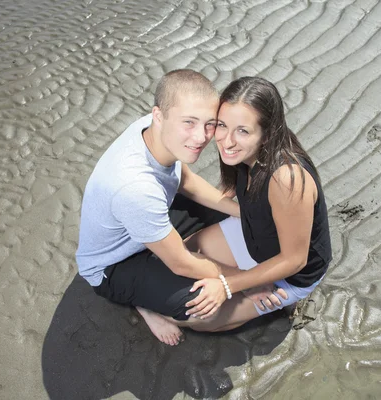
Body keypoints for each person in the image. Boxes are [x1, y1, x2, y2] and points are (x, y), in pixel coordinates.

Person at [75, 69, 267, 346]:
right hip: (114, 266)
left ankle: (160, 269)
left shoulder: (155, 129)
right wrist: (247, 282)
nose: (201, 137)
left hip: (148, 218)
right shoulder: (135, 187)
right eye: (189, 123)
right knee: (204, 307)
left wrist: (242, 213)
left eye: (209, 124)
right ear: (158, 116)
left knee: (233, 221)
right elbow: (180, 263)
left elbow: (183, 179)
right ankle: (143, 303)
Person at [139, 76, 332, 333]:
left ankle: (277, 300)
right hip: (255, 237)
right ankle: (144, 304)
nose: (226, 141)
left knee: (197, 319)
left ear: (267, 134)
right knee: (185, 252)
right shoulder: (242, 156)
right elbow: (231, 193)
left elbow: (295, 260)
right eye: (221, 125)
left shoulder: (286, 179)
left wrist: (229, 284)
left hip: (290, 272)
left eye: (243, 131)